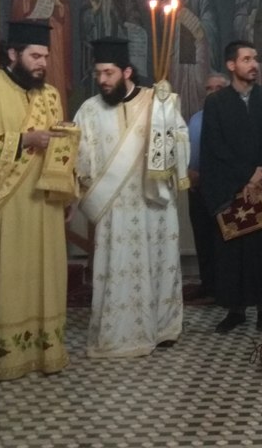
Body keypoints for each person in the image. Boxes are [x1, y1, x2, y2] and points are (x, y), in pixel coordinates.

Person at [0, 21, 75, 380]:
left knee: (46, 276)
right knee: (9, 278)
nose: (42, 64)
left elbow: (60, 148)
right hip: (6, 204)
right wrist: (24, 140)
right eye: (35, 56)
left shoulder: (50, 95)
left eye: (45, 57)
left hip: (45, 204)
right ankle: (3, 358)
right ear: (12, 53)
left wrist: (66, 188)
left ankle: (46, 351)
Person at [74, 37, 188, 357]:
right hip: (115, 209)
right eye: (98, 73)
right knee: (117, 267)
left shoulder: (157, 102)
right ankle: (118, 334)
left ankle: (163, 327)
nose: (102, 80)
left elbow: (180, 141)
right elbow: (80, 157)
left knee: (159, 261)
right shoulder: (89, 110)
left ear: (126, 72)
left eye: (108, 73)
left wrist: (167, 129)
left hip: (154, 202)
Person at [201, 41, 262, 333]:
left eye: (255, 59)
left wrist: (261, 174)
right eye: (246, 59)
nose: (253, 65)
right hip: (231, 187)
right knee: (232, 252)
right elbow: (215, 147)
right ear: (231, 65)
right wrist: (247, 177)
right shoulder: (216, 103)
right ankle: (235, 311)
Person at [11, 0, 73, 109]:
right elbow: (16, 5)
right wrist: (27, 0)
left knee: (54, 73)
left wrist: (58, 4)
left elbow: (65, 10)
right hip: (30, 35)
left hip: (53, 34)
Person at [187, 71, 229, 301]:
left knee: (221, 239)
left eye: (218, 89)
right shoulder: (195, 119)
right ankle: (207, 284)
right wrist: (189, 171)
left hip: (222, 190)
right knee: (202, 238)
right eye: (208, 89)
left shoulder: (232, 118)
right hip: (196, 188)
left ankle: (224, 288)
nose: (212, 93)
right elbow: (188, 150)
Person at [165, 0, 220, 119]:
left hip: (197, 41)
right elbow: (166, 11)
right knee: (178, 82)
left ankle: (198, 119)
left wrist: (201, 25)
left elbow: (208, 11)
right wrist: (179, 15)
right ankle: (178, 120)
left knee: (198, 82)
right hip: (179, 40)